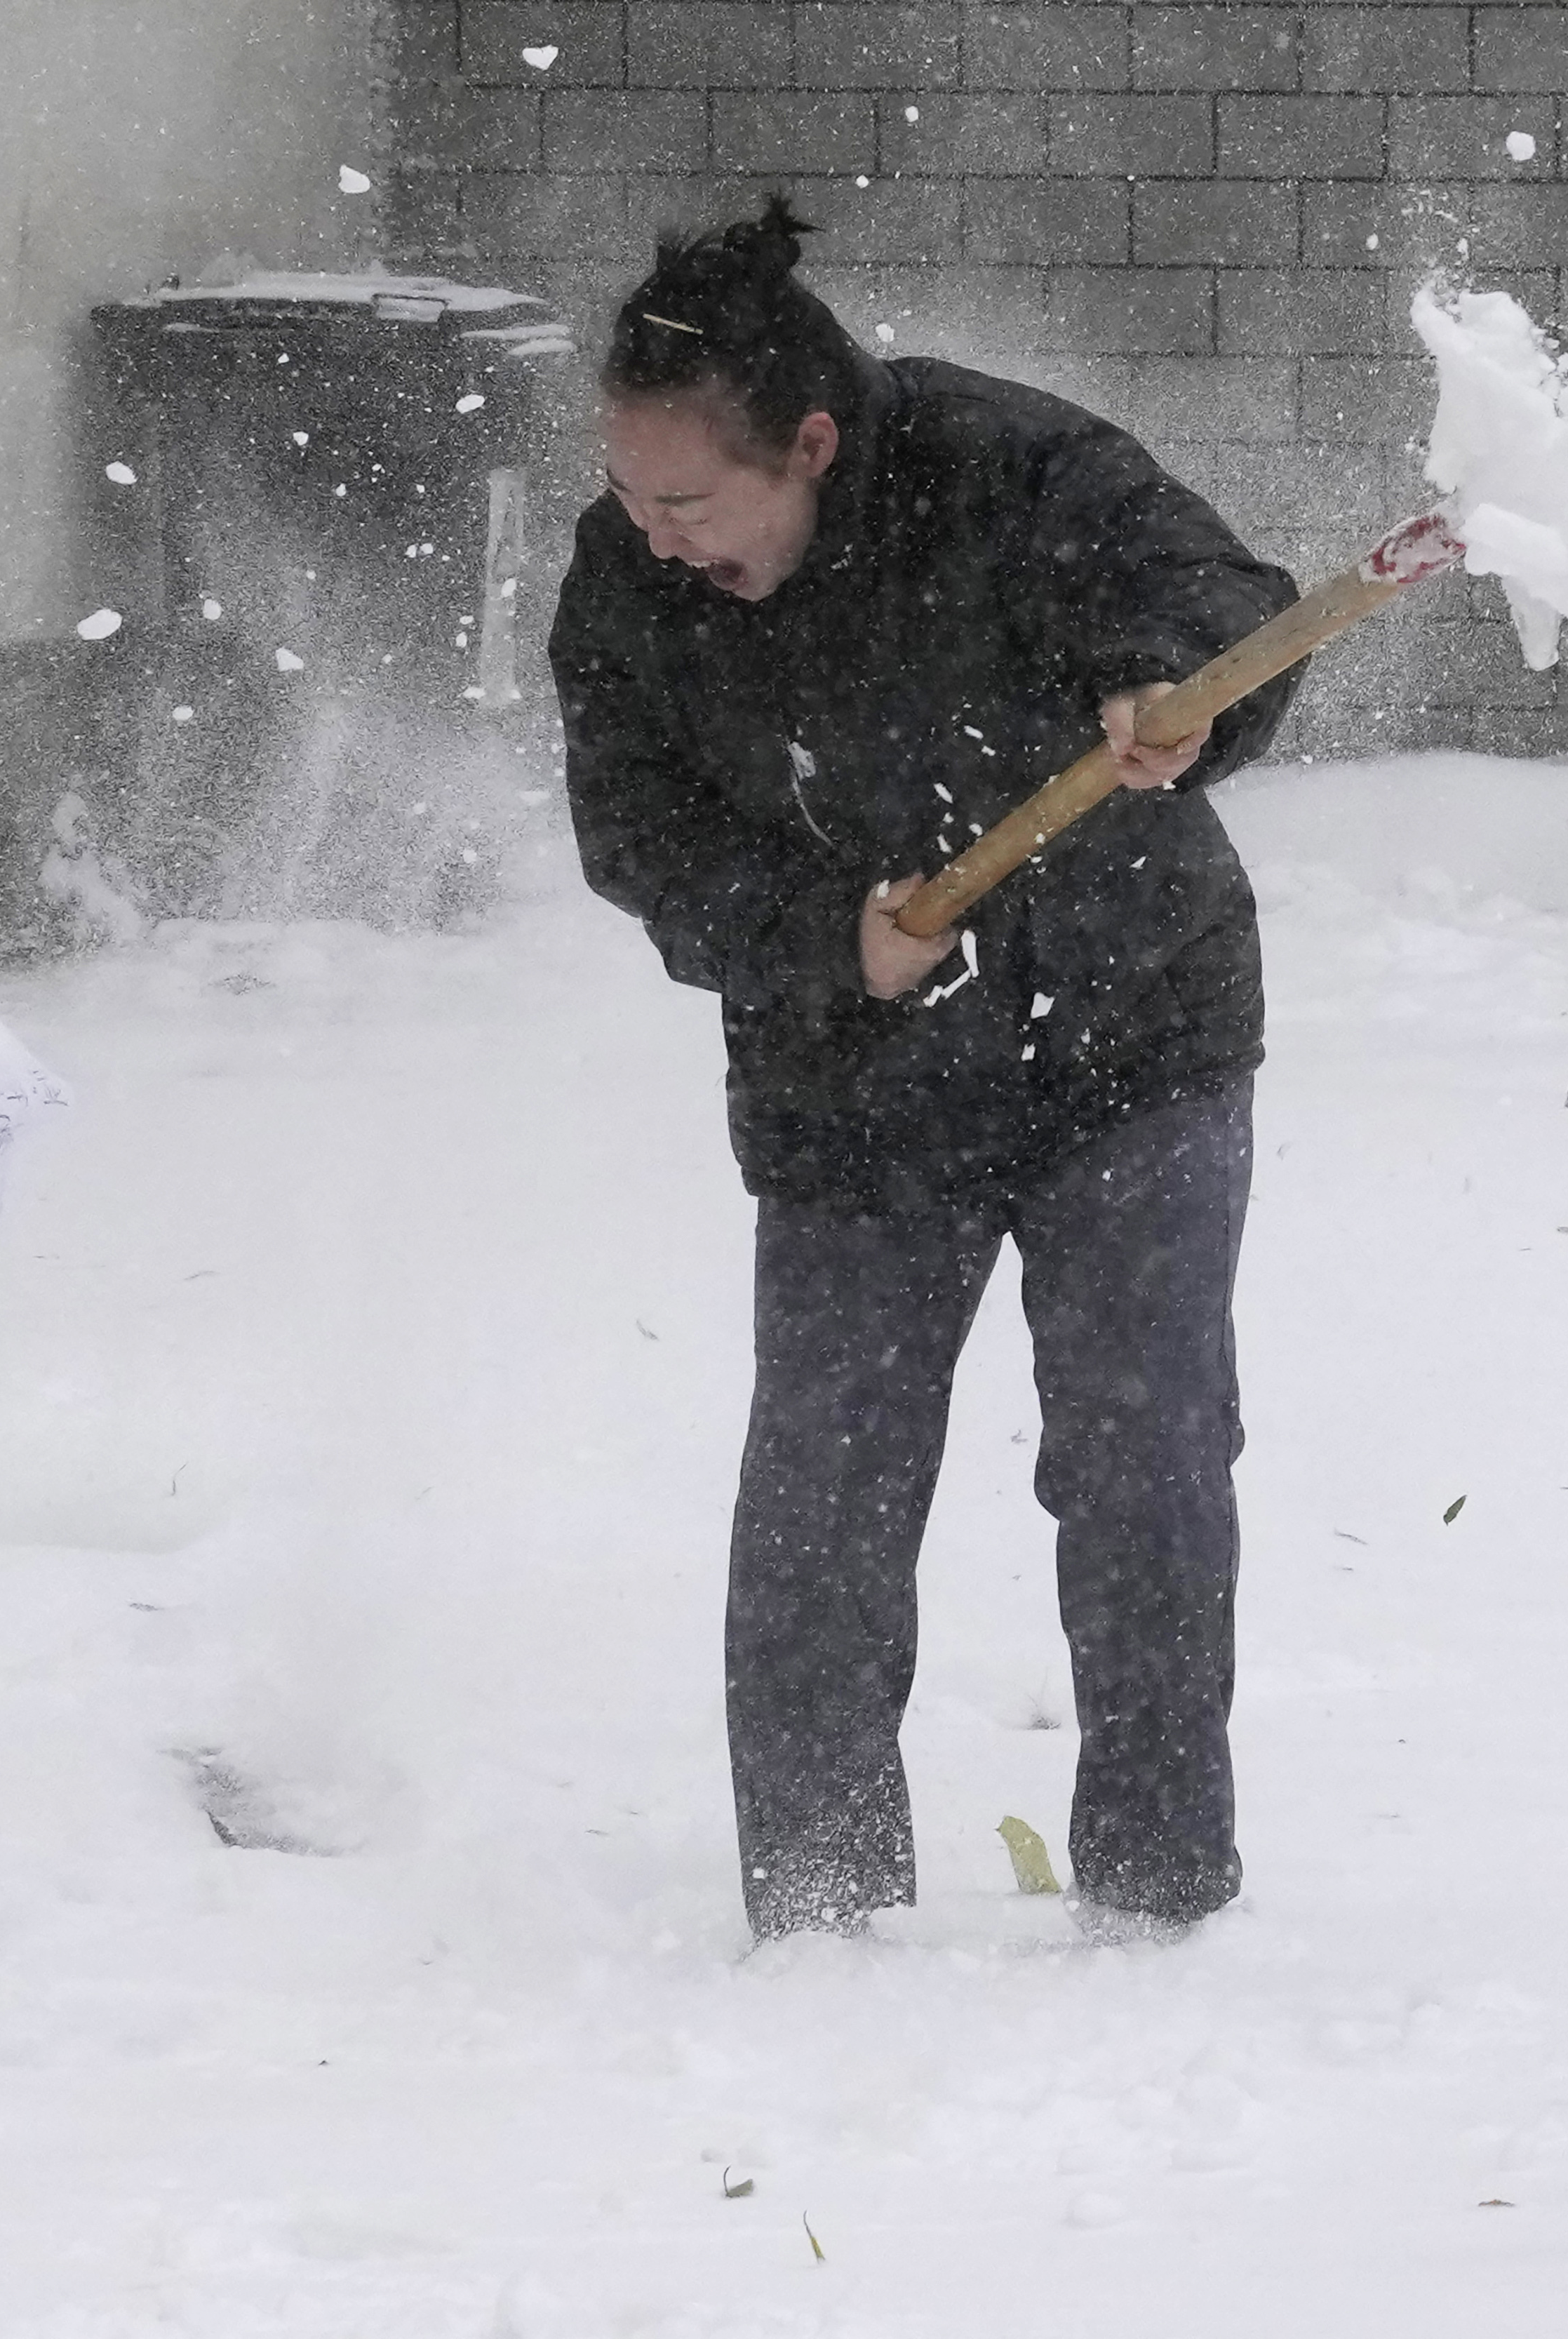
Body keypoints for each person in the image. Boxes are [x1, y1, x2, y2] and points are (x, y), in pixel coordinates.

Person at [550, 199, 1302, 1945]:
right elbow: (638, 828)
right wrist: (835, 937)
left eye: (689, 501)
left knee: (1146, 1454)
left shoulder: (1006, 463)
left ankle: (1160, 1893)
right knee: (826, 1479)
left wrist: (1175, 700)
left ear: (810, 443)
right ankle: (817, 1909)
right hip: (855, 1078)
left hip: (1132, 1033)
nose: (654, 537)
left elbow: (1219, 608)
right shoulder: (629, 576)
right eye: (633, 497)